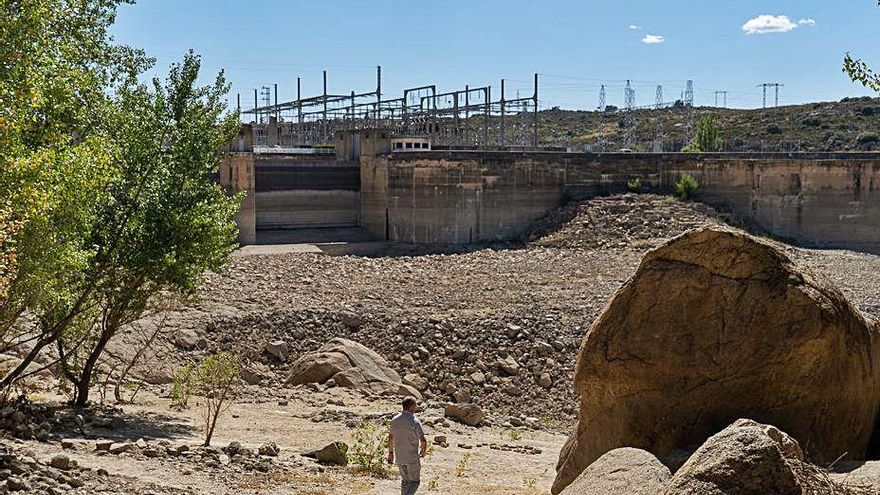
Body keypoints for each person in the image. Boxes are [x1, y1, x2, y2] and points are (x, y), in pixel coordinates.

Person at [387, 396, 427, 495]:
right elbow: (423, 439)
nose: (416, 407)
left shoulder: (395, 419)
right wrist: (423, 451)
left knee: (405, 481)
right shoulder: (414, 421)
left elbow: (391, 437)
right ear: (411, 406)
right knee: (414, 482)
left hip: (400, 457)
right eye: (415, 405)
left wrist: (391, 453)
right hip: (411, 457)